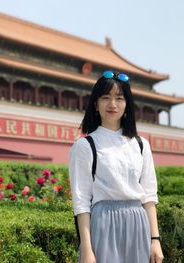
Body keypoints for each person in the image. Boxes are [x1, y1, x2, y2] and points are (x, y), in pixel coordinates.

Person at [69, 71, 164, 263]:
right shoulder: (85, 146)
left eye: (119, 98)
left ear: (127, 104)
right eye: (106, 98)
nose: (113, 104)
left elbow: (148, 196)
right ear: (95, 104)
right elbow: (81, 202)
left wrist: (155, 239)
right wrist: (87, 249)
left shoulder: (140, 144)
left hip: (138, 225)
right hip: (104, 224)